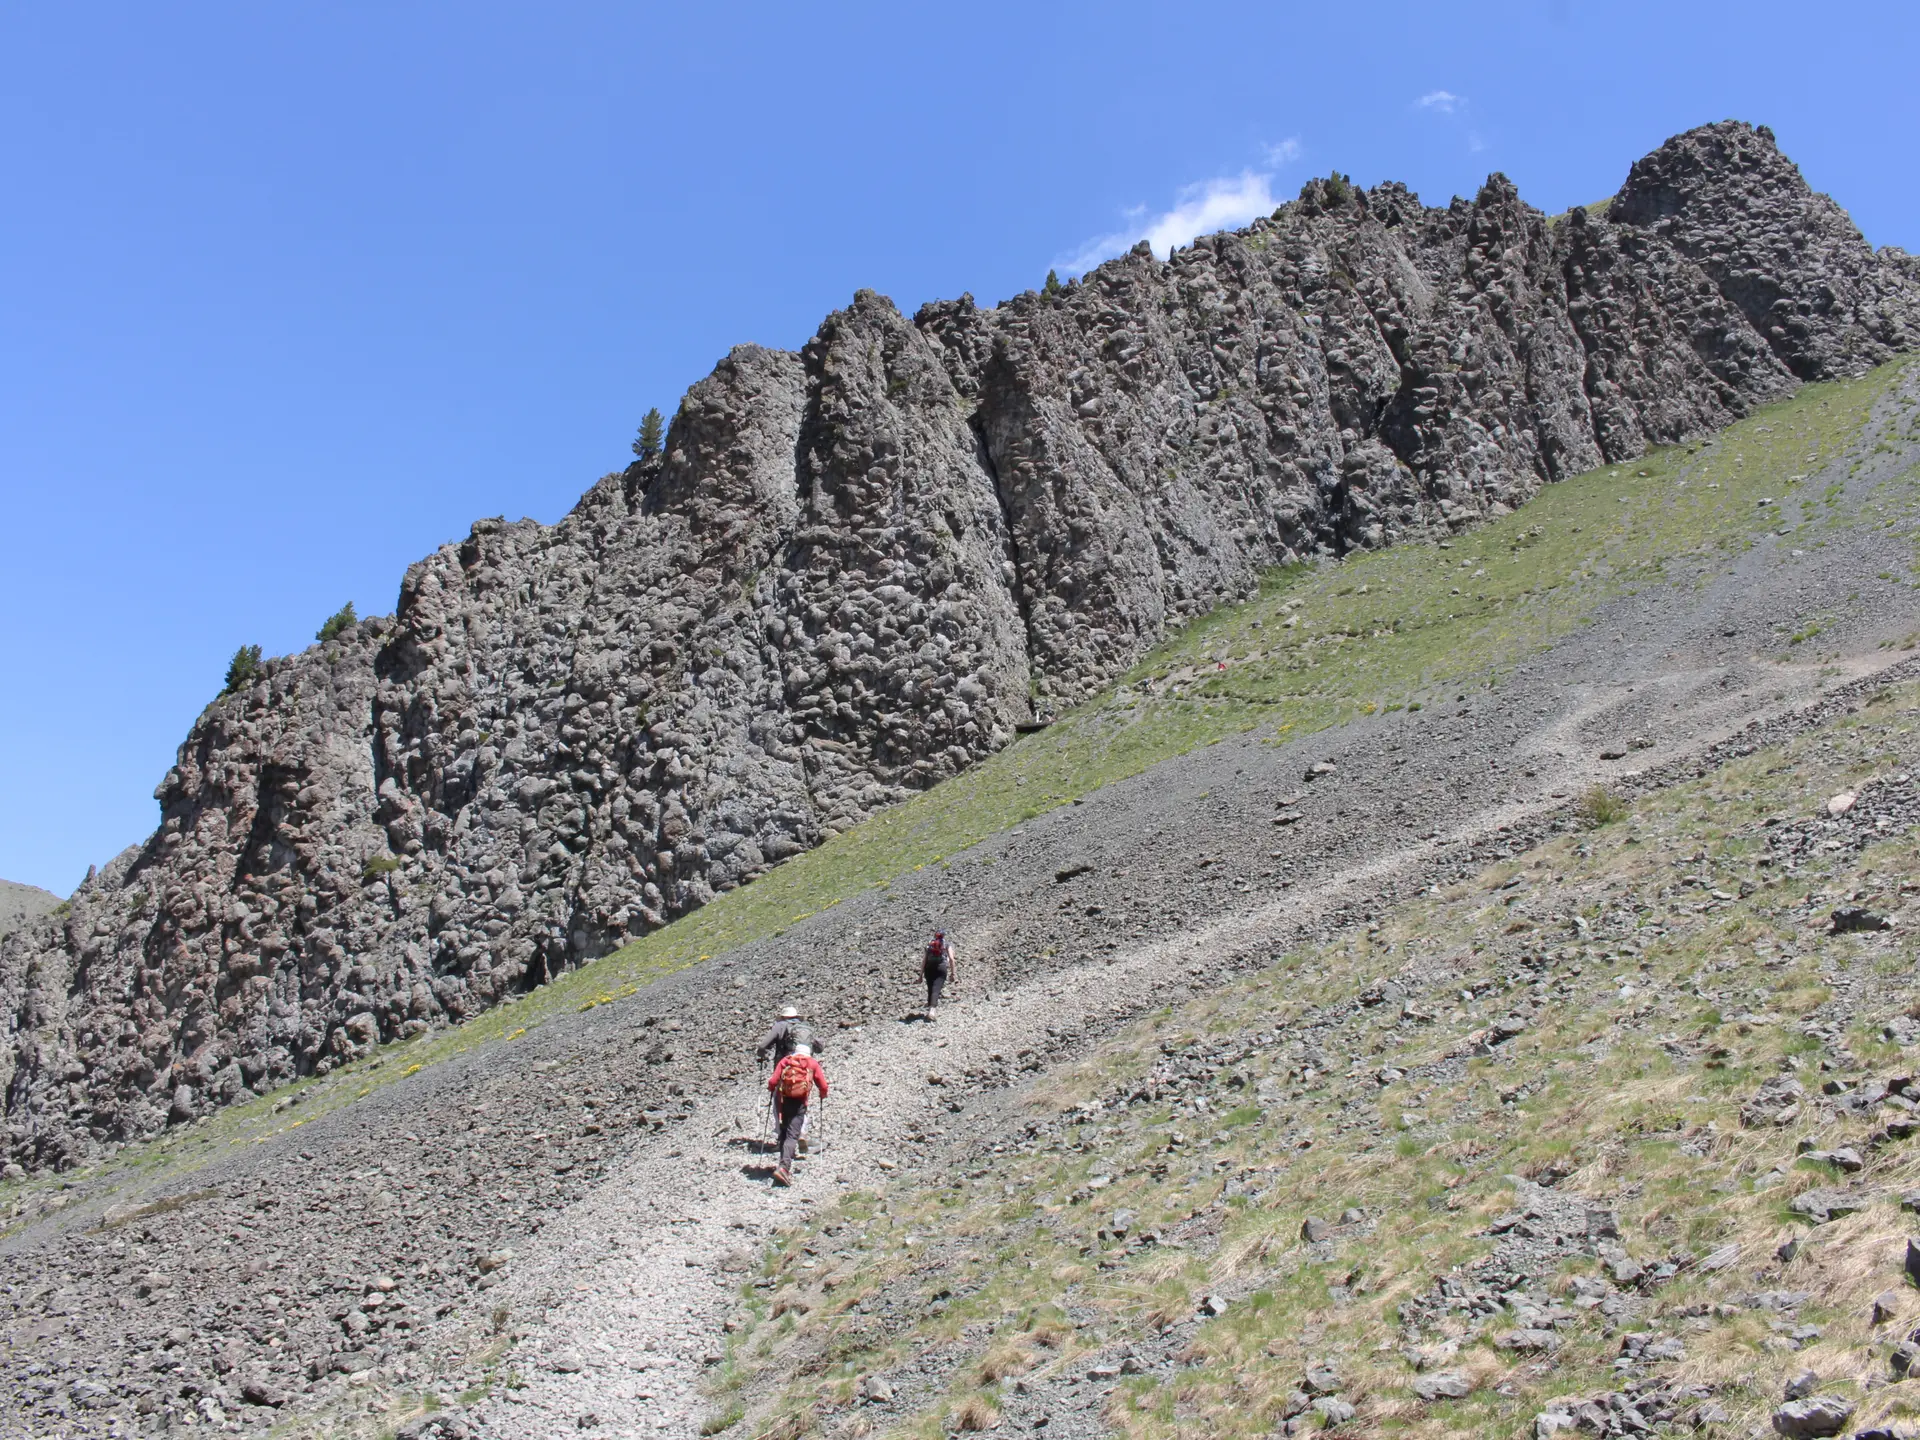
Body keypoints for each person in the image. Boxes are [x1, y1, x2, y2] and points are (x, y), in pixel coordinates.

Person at [767, 1042, 829, 1185]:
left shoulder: (786, 1061)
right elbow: (823, 1085)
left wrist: (771, 1089)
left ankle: (782, 1164)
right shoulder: (812, 1063)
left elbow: (773, 1080)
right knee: (793, 1134)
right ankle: (784, 1168)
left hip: (784, 1100)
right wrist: (823, 1095)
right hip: (800, 1103)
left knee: (784, 1131)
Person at [755, 1004, 822, 1065]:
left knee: (778, 1077)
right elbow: (819, 1048)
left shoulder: (779, 1026)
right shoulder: (805, 1026)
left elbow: (762, 1046)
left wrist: (763, 1054)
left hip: (786, 1064)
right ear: (796, 1016)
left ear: (783, 1017)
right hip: (806, 1064)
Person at [922, 930, 955, 1015]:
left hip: (928, 968)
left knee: (930, 987)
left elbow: (924, 960)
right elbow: (951, 959)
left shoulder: (929, 945)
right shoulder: (947, 945)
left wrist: (920, 975)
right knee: (936, 988)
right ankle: (932, 1010)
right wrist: (953, 973)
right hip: (941, 967)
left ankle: (930, 1006)